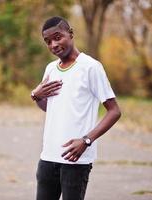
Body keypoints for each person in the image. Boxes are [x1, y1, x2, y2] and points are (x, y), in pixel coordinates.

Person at [31, 16, 121, 200]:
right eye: (48, 41)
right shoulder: (51, 69)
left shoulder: (90, 67)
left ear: (70, 34)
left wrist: (86, 140)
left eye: (58, 37)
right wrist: (36, 96)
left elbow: (114, 111)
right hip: (48, 157)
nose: (53, 45)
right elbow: (52, 108)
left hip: (76, 159)